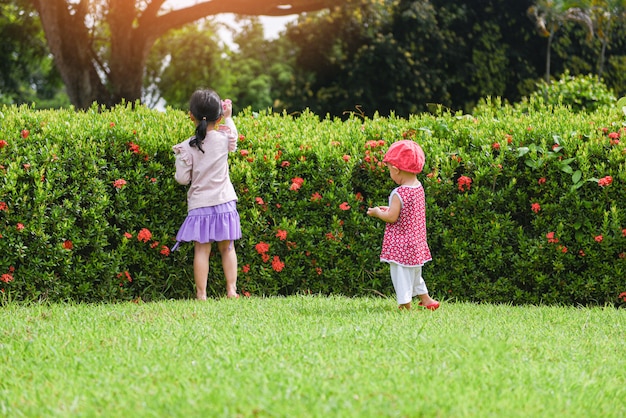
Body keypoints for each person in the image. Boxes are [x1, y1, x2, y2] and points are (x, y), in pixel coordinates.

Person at [172, 89, 241, 300]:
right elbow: (234, 138)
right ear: (218, 117)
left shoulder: (186, 147)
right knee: (227, 248)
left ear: (190, 115)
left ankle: (201, 294)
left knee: (202, 251)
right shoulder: (223, 139)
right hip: (224, 201)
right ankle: (231, 290)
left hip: (200, 205)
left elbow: (182, 179)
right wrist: (229, 119)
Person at [367, 140, 440, 311]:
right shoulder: (418, 188)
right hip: (416, 243)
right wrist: (390, 209)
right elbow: (406, 212)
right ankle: (427, 300)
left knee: (400, 275)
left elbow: (392, 217)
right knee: (415, 274)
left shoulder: (398, 192)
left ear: (396, 169)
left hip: (401, 246)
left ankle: (405, 304)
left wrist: (378, 212)